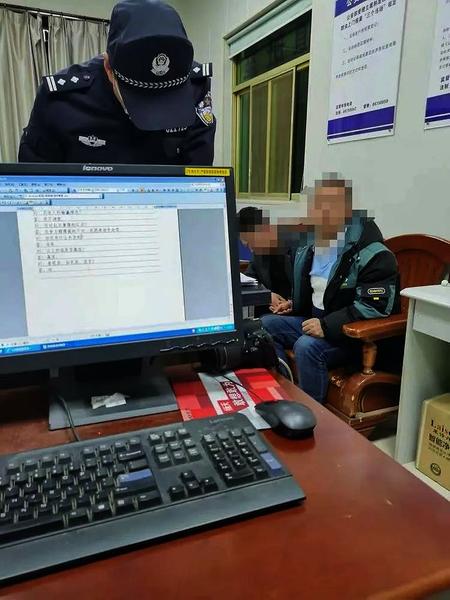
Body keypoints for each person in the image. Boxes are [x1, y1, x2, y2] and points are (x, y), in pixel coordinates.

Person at [19, 0, 216, 164]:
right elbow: (34, 182)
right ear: (108, 68)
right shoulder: (63, 100)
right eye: (141, 98)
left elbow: (200, 176)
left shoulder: (195, 87)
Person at [261, 175, 400, 404]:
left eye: (327, 206)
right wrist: (295, 304)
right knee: (265, 325)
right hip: (317, 321)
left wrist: (327, 326)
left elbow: (375, 306)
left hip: (349, 336)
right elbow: (321, 291)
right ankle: (285, 385)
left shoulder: (373, 253)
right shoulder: (312, 244)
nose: (319, 213)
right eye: (315, 205)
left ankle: (312, 411)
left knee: (306, 347)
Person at [238, 207, 300, 315]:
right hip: (275, 310)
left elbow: (313, 290)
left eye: (251, 242)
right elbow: (248, 282)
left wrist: (291, 304)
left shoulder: (298, 247)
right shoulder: (259, 254)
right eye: (247, 245)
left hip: (301, 311)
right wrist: (267, 295)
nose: (251, 250)